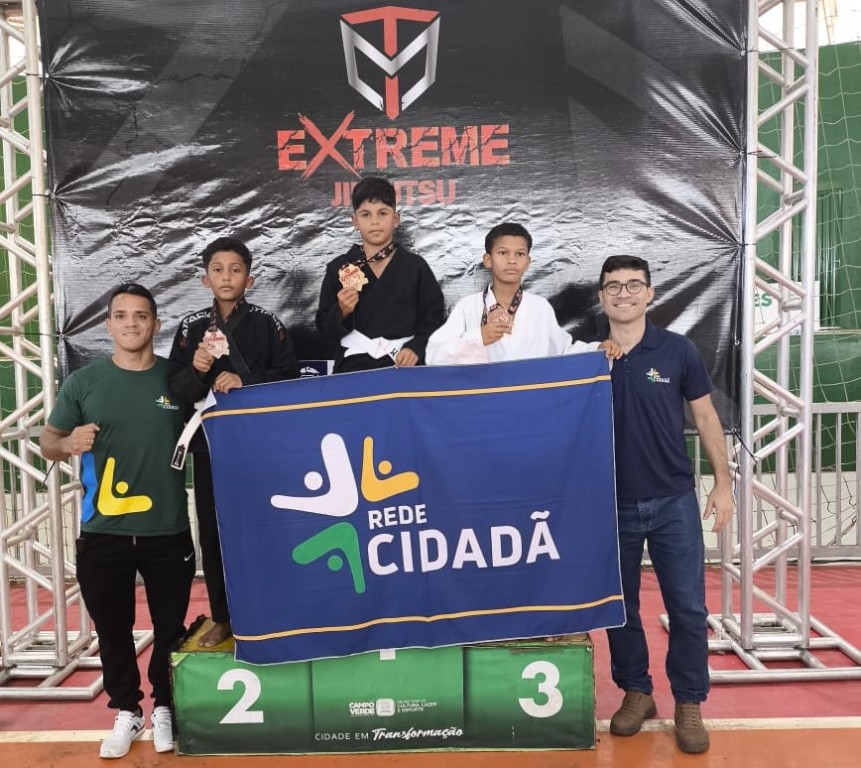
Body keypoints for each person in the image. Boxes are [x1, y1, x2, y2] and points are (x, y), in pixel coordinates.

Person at [40, 284, 195, 759]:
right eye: (122, 316)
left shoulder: (178, 380)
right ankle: (127, 709)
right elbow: (48, 441)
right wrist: (67, 444)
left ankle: (165, 706)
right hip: (102, 531)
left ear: (156, 324)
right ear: (108, 326)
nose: (131, 323)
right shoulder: (83, 382)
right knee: (112, 630)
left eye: (141, 315)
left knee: (170, 628)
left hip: (167, 529)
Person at [598, 255, 734, 754]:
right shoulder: (590, 359)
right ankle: (637, 691)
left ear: (650, 293)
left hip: (674, 501)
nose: (624, 293)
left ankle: (689, 701)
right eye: (614, 286)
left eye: (634, 284)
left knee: (688, 608)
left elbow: (707, 417)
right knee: (620, 608)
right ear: (601, 297)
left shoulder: (678, 350)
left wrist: (723, 484)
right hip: (611, 504)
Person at [168, 236, 300, 648]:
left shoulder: (266, 324)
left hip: (259, 445)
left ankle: (274, 608)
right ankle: (224, 617)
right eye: (218, 270)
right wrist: (197, 369)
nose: (227, 277)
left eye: (236, 270)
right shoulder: (191, 327)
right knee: (213, 532)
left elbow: (290, 378)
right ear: (204, 279)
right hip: (210, 445)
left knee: (266, 526)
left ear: (250, 279)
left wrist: (247, 380)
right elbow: (175, 390)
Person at [426, 222, 620, 364]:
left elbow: (562, 351)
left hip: (528, 399)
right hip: (484, 398)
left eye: (519, 254)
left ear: (527, 262)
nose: (512, 260)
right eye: (503, 253)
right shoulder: (469, 307)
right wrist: (478, 338)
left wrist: (597, 349)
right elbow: (435, 355)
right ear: (487, 260)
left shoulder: (539, 307)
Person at [315, 176, 445, 372]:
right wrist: (341, 311)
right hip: (353, 366)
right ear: (355, 221)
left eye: (382, 213)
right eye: (365, 214)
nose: (374, 221)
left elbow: (434, 319)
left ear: (396, 219)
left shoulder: (415, 267)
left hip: (404, 363)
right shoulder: (339, 268)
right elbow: (325, 329)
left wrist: (416, 347)